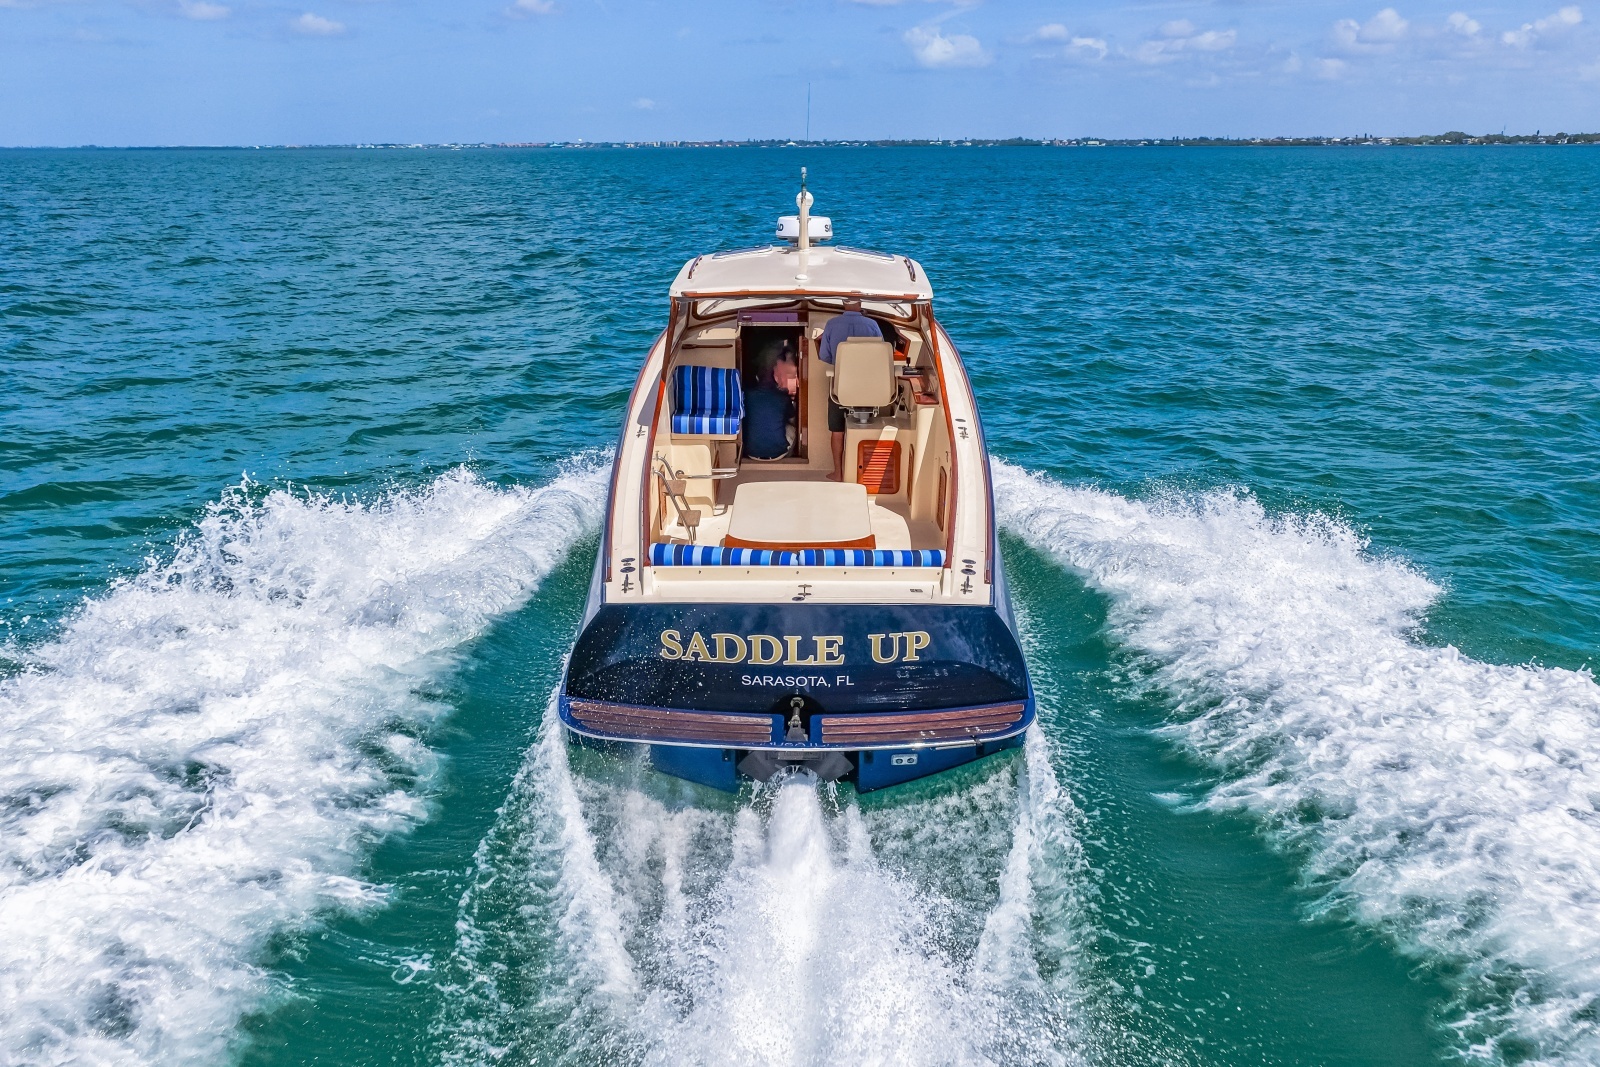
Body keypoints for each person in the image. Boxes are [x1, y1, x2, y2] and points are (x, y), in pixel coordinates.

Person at [817, 298, 882, 480]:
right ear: (860, 304)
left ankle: (838, 472)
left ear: (843, 304)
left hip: (841, 389)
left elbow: (825, 356)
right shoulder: (872, 325)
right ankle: (864, 474)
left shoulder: (832, 324)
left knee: (837, 430)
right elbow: (881, 354)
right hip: (869, 389)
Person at [743, 350, 793, 461]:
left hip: (751, 453)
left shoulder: (746, 395)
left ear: (757, 377)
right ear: (775, 378)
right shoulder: (783, 397)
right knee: (792, 428)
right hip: (778, 454)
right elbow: (792, 418)